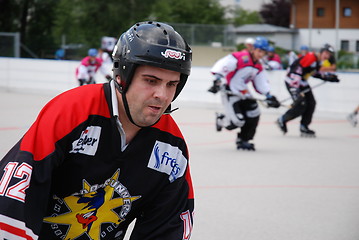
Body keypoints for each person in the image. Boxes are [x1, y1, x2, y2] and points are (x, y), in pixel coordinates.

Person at [0, 21, 194, 240]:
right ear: (122, 76)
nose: (162, 94)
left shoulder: (171, 145)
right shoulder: (72, 111)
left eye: (171, 84)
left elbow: (168, 227)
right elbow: (14, 200)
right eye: (151, 80)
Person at [208, 36, 281, 151]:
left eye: (264, 52)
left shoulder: (258, 65)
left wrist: (268, 96)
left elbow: (260, 82)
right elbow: (224, 64)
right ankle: (221, 119)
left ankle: (244, 140)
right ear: (254, 49)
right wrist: (217, 80)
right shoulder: (242, 57)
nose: (261, 54)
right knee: (237, 121)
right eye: (259, 51)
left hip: (243, 93)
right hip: (230, 92)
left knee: (254, 113)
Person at [276, 47, 340, 137]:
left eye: (329, 55)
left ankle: (304, 126)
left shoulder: (318, 61)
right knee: (301, 104)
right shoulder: (311, 57)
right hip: (292, 81)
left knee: (311, 103)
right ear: (321, 52)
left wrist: (328, 77)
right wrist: (295, 90)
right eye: (326, 53)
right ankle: (282, 119)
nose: (327, 56)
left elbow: (313, 73)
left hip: (302, 82)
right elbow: (297, 71)